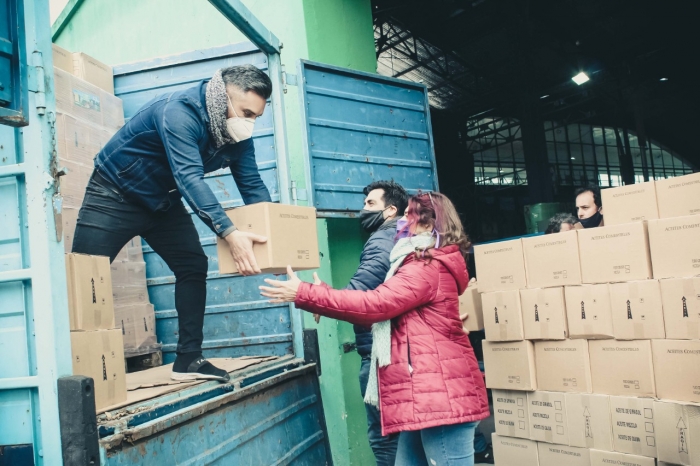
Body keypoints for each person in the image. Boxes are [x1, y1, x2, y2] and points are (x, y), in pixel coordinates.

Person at [72, 65, 274, 382]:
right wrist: (230, 233)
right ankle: (69, 370)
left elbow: (252, 185)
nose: (249, 124)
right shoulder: (178, 112)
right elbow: (189, 178)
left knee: (193, 265)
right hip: (114, 194)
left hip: (162, 201)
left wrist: (277, 243)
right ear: (224, 99)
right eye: (246, 112)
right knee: (84, 276)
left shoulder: (236, 135)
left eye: (256, 118)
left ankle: (189, 361)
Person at [261, 192, 490, 466]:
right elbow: (383, 314)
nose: (403, 220)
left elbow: (376, 304)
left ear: (429, 224)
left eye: (410, 215)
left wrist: (305, 293)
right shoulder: (413, 261)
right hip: (426, 394)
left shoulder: (425, 265)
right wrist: (321, 297)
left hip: (439, 395)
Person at [315, 180, 407, 465]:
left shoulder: (383, 238)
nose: (362, 210)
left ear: (391, 210)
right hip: (399, 350)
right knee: (404, 435)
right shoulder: (407, 236)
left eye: (370, 204)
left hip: (382, 356)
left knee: (384, 438)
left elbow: (365, 285)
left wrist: (323, 299)